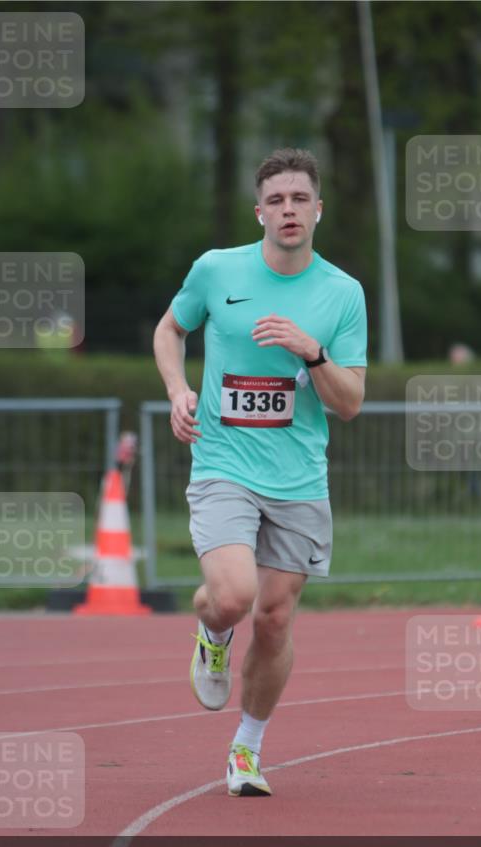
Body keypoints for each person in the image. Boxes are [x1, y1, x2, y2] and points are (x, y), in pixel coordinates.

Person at [153, 148, 367, 796]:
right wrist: (177, 391)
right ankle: (212, 630)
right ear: (259, 212)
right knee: (234, 597)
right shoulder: (217, 270)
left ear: (318, 209)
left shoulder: (341, 293)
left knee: (274, 619)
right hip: (223, 461)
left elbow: (349, 403)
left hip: (298, 476)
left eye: (299, 198)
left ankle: (246, 750)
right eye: (276, 200)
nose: (288, 210)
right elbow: (169, 330)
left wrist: (313, 350)